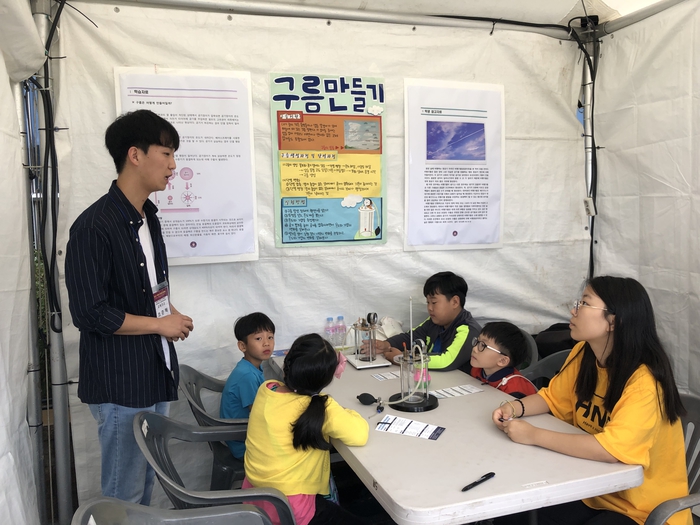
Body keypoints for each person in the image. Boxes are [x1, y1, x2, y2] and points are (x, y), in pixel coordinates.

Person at [65, 110, 194, 505]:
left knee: (145, 486)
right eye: (166, 153)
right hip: (121, 380)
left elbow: (149, 285)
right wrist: (159, 326)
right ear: (135, 155)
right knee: (124, 494)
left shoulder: (148, 217)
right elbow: (90, 313)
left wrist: (167, 312)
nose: (174, 166)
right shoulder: (94, 226)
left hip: (154, 370)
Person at [492, 276, 690, 525]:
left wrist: (532, 435)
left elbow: (609, 450)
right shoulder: (583, 353)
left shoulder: (645, 382)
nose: (573, 310)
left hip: (640, 511)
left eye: (584, 303)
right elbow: (552, 398)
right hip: (591, 492)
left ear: (613, 321)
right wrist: (514, 407)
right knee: (512, 510)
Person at [244, 333, 369, 525]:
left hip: (256, 499)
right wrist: (344, 411)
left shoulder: (267, 388)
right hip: (292, 509)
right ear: (326, 380)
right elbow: (359, 434)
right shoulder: (323, 408)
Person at [368, 271, 481, 372]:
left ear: (455, 302)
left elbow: (446, 361)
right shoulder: (434, 321)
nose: (430, 308)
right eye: (428, 303)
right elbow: (410, 337)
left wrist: (405, 359)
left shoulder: (467, 329)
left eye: (434, 302)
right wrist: (386, 344)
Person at [220, 312, 275, 459]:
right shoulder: (247, 376)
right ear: (242, 346)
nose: (266, 343)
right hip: (244, 444)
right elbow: (260, 413)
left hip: (246, 435)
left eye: (270, 337)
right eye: (258, 338)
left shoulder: (251, 367)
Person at [469, 322, 537, 399]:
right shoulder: (477, 370)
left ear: (502, 361)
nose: (474, 349)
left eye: (483, 345)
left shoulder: (514, 390)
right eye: (477, 342)